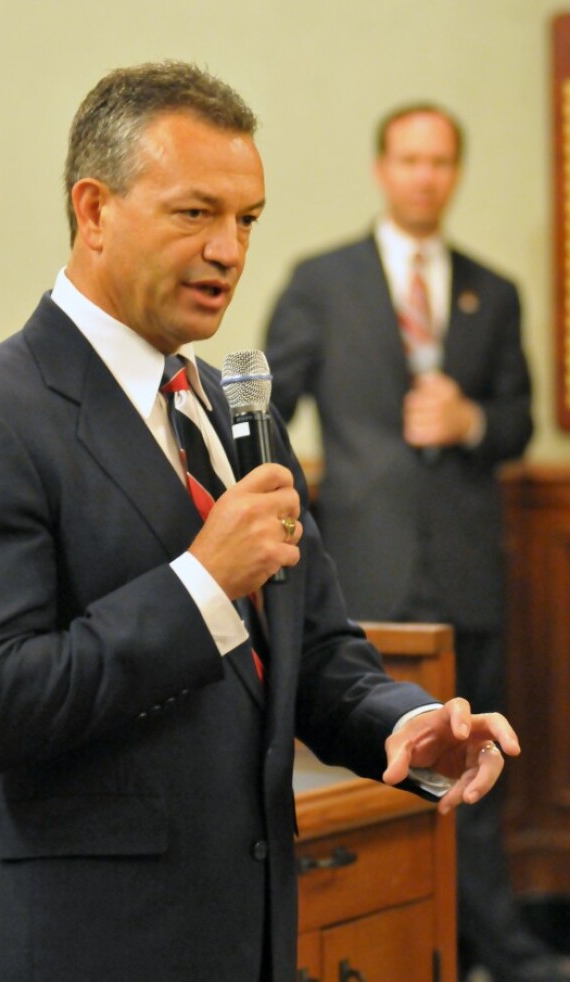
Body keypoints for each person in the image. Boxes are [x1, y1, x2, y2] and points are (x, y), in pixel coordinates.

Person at [0, 69, 520, 982]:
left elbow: (318, 654)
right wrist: (200, 582)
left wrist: (409, 720)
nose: (229, 250)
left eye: (248, 219)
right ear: (94, 209)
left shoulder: (232, 410)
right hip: (90, 948)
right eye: (195, 214)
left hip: (247, 938)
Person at [264, 104, 567, 982]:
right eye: (410, 159)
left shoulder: (493, 289)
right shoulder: (322, 281)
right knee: (374, 771)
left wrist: (472, 419)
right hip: (365, 569)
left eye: (440, 161)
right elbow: (268, 411)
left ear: (455, 172)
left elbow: (517, 419)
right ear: (382, 169)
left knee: (478, 763)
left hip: (469, 569)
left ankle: (491, 949)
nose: (425, 175)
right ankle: (393, 946)